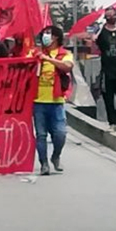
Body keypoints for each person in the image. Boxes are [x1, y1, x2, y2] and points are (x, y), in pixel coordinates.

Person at [33, 26, 74, 176]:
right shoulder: (36, 54)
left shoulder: (65, 54)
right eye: (44, 33)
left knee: (60, 134)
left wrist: (48, 59)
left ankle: (55, 156)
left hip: (56, 101)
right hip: (38, 101)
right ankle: (44, 163)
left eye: (48, 34)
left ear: (56, 37)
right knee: (41, 135)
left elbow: (67, 67)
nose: (45, 36)